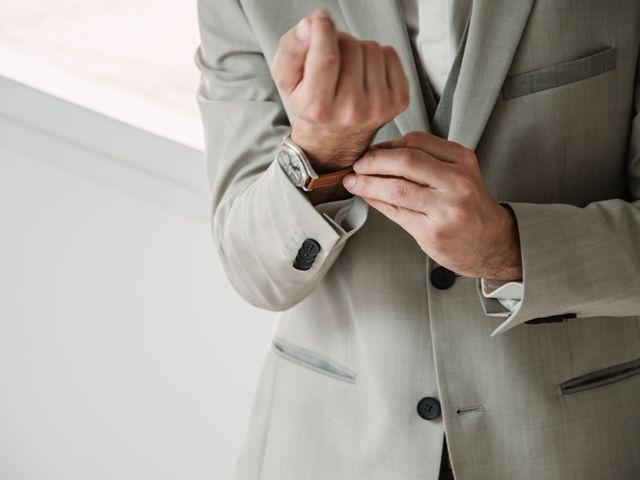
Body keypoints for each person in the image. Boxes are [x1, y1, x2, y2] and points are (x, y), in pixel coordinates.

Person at [194, 0, 640, 478]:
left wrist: (508, 247)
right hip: (329, 446)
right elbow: (251, 269)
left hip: (572, 449)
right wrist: (316, 156)